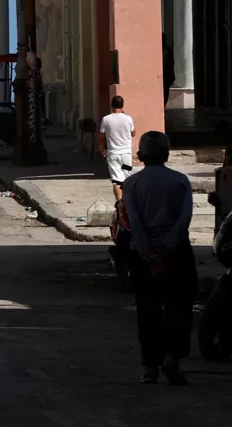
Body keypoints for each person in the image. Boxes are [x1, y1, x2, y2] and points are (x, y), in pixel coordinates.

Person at [123, 130, 195, 385]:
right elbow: (184, 219)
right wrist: (167, 248)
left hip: (143, 255)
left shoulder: (132, 183)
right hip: (177, 253)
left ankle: (150, 366)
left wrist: (150, 254)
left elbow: (135, 222)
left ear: (140, 155)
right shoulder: (180, 181)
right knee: (180, 306)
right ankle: (173, 357)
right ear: (166, 154)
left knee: (148, 309)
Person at [99, 95, 135, 202]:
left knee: (117, 180)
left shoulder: (106, 119)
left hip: (113, 154)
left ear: (111, 105)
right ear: (122, 105)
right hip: (126, 155)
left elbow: (101, 137)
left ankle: (119, 204)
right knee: (127, 178)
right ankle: (127, 203)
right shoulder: (128, 118)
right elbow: (133, 133)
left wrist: (101, 148)